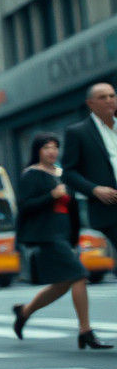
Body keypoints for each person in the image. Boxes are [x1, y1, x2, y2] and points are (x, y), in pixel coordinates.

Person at [13, 133, 112, 349]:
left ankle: (24, 311)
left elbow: (73, 211)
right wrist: (51, 195)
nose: (52, 151)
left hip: (64, 234)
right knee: (79, 275)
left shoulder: (62, 174)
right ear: (38, 151)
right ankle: (85, 331)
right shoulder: (31, 175)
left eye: (55, 148)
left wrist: (75, 238)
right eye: (47, 147)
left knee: (62, 285)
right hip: (45, 235)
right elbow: (24, 206)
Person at [61, 82, 117, 272]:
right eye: (103, 97)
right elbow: (68, 173)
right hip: (109, 208)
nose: (109, 100)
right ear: (90, 103)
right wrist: (94, 189)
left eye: (112, 95)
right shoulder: (78, 132)